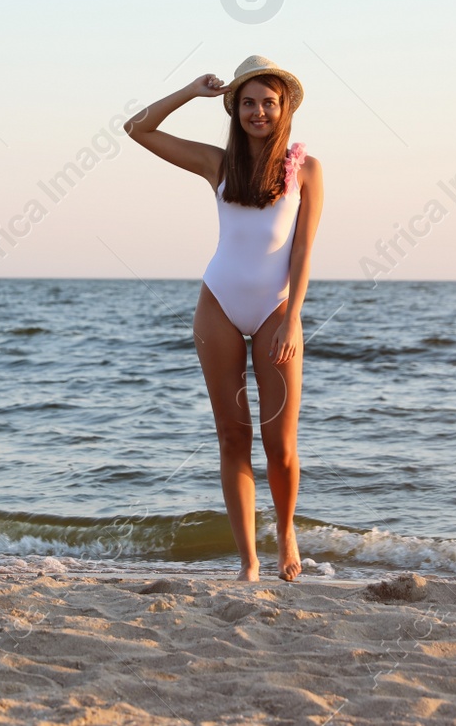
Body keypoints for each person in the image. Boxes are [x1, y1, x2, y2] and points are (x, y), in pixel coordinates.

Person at [125, 56, 323, 581]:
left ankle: (285, 536)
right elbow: (137, 128)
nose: (259, 112)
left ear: (284, 111)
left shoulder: (305, 169)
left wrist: (294, 318)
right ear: (234, 109)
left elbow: (303, 250)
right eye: (248, 103)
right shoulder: (217, 164)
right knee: (233, 438)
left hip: (278, 310)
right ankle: (248, 562)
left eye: (269, 102)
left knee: (280, 444)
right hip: (218, 306)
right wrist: (191, 90)